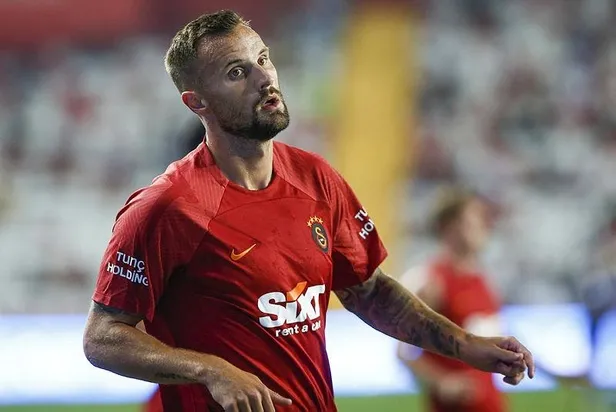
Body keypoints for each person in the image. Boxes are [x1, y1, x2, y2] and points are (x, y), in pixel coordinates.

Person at [82, 10, 535, 412]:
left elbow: (368, 292)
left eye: (263, 59)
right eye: (237, 72)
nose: (264, 79)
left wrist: (466, 345)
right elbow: (103, 337)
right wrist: (210, 370)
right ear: (196, 101)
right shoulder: (167, 207)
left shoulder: (317, 178)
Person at [397, 189, 507, 412]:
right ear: (450, 227)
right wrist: (442, 382)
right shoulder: (432, 282)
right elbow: (404, 352)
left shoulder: (481, 279)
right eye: (474, 219)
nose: (483, 226)